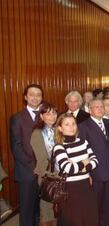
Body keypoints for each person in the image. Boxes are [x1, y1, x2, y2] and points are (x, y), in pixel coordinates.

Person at [53, 113, 99, 226]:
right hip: (70, 189)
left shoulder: (84, 142)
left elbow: (95, 161)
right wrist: (85, 162)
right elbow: (69, 168)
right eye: (67, 124)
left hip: (86, 186)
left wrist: (83, 167)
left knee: (90, 218)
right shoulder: (59, 146)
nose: (72, 127)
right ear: (60, 128)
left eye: (73, 124)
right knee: (75, 220)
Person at [78, 99, 109, 226]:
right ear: (90, 110)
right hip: (95, 173)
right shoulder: (83, 126)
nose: (100, 109)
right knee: (96, 204)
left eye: (102, 106)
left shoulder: (107, 122)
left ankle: (106, 223)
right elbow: (82, 152)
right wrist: (88, 173)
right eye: (96, 107)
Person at [10, 84, 43, 226]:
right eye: (32, 94)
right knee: (26, 209)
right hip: (27, 171)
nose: (35, 98)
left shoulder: (45, 116)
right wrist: (33, 167)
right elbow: (16, 147)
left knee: (38, 208)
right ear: (25, 97)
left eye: (38, 95)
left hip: (43, 171)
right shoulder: (17, 118)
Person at [30, 102, 58, 226]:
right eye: (48, 114)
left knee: (58, 210)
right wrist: (54, 175)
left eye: (54, 113)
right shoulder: (38, 133)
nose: (52, 116)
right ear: (41, 116)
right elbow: (41, 162)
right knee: (47, 212)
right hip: (48, 177)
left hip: (60, 175)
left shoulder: (57, 130)